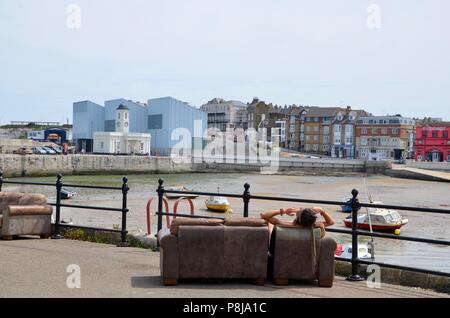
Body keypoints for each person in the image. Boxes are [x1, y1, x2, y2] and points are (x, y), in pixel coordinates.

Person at [260, 207, 335, 257]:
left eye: (300, 210)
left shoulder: (285, 225)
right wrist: (322, 210)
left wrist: (283, 211)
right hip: (305, 255)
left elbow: (263, 215)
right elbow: (331, 222)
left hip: (282, 254)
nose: (299, 209)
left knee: (270, 224)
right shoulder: (318, 227)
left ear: (297, 217)